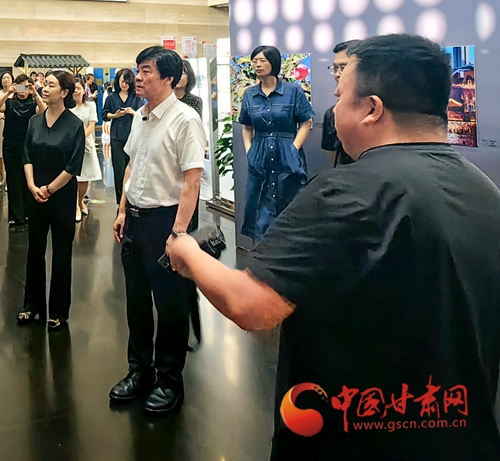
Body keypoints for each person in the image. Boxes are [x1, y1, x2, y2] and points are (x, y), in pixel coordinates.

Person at [166, 34, 500, 460]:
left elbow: (252, 305)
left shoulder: (347, 190)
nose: (334, 107)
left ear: (371, 109)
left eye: (340, 96)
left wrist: (187, 251)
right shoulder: (483, 189)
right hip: (460, 434)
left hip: (355, 436)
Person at [108, 47, 206, 417]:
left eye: (146, 70)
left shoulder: (185, 119)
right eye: (138, 69)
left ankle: (169, 380)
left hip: (167, 222)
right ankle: (139, 370)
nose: (138, 77)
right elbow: (131, 165)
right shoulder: (140, 116)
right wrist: (122, 210)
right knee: (136, 301)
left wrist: (178, 233)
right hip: (135, 220)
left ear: (168, 78)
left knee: (170, 305)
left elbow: (192, 180)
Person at [19, 71, 85, 332]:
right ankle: (31, 305)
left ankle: (58, 312)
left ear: (64, 92)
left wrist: (49, 189)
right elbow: (26, 155)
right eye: (44, 84)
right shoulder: (35, 121)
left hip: (61, 195)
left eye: (50, 85)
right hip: (35, 192)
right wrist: (32, 186)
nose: (44, 89)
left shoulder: (74, 124)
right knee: (34, 251)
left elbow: (73, 165)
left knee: (61, 253)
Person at [239, 46, 314, 242]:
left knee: (290, 199)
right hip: (260, 153)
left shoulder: (293, 91)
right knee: (259, 204)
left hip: (287, 151)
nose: (257, 65)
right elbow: (246, 127)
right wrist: (250, 151)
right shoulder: (249, 94)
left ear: (274, 62)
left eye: (262, 60)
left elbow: (306, 122)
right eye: (254, 61)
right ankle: (260, 253)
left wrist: (293, 149)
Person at [0, 74, 44, 227]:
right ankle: (16, 215)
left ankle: (28, 213)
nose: (23, 90)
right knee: (13, 179)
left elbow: (43, 110)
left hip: (29, 144)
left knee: (28, 179)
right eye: (20, 86)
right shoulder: (10, 102)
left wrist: (35, 93)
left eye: (26, 86)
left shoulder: (33, 103)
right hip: (10, 144)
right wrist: (8, 92)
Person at [102, 68, 144, 205]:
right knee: (119, 170)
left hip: (134, 137)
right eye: (121, 81)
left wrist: (132, 112)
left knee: (134, 169)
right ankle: (121, 201)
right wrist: (115, 115)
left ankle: (133, 200)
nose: (124, 84)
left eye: (127, 82)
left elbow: (143, 116)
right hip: (117, 137)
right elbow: (105, 115)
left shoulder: (137, 97)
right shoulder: (111, 97)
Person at [322, 40, 360, 167]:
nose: (337, 74)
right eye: (335, 68)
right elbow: (336, 162)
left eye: (343, 67)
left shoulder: (388, 110)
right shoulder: (332, 114)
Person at [70, 77, 101, 223]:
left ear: (84, 90)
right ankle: (75, 206)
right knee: (72, 176)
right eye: (73, 88)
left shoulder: (90, 105)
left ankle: (80, 201)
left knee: (85, 176)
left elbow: (91, 125)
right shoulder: (66, 105)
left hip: (86, 145)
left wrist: (80, 140)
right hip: (69, 145)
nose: (76, 91)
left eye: (78, 88)